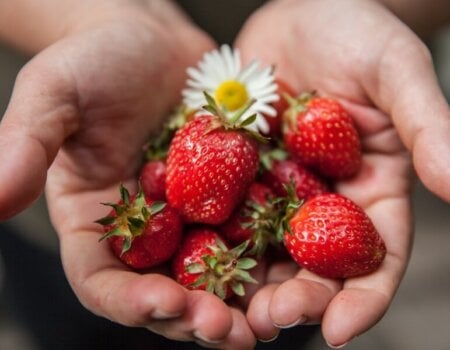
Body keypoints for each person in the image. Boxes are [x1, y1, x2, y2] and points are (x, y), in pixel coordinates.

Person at [0, 0, 449, 349]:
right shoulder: (221, 157)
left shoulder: (242, 159)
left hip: (249, 263)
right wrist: (91, 19)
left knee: (281, 325)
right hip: (67, 198)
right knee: (72, 329)